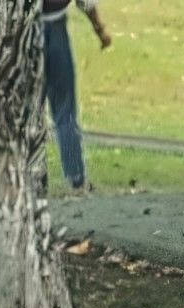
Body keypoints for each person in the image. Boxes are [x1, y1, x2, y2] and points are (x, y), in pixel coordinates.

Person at [42, 0, 112, 191]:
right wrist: (100, 31)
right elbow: (86, 3)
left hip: (21, 33)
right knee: (65, 112)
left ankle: (24, 177)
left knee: (20, 112)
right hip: (55, 31)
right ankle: (76, 179)